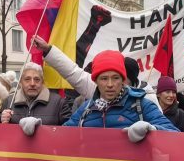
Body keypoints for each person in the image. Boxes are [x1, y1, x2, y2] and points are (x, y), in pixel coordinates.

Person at [31, 35, 161, 109]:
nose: (110, 84)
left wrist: (147, 130)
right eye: (104, 78)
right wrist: (48, 50)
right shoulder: (92, 99)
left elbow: (164, 131)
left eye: (116, 78)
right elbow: (73, 72)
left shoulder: (146, 99)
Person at [0, 63, 71, 127]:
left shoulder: (58, 102)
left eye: (37, 79)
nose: (32, 84)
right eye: (27, 79)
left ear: (42, 82)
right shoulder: (9, 101)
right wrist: (1, 120)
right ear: (20, 82)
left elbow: (70, 130)